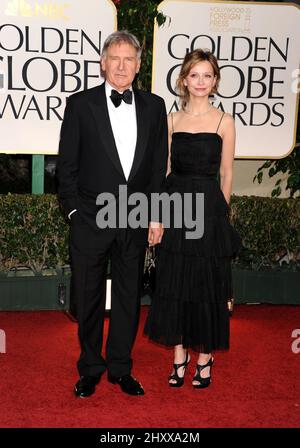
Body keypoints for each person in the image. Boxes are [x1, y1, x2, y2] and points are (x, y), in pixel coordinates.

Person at [57, 31, 168, 397]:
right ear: (103, 62)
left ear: (138, 65)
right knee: (88, 296)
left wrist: (156, 215)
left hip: (136, 216)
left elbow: (156, 168)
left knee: (128, 295)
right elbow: (67, 165)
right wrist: (73, 211)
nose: (121, 66)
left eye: (129, 59)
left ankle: (120, 366)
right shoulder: (80, 105)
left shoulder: (154, 107)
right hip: (89, 217)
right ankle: (90, 366)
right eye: (114, 58)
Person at [144, 49, 241, 388]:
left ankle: (204, 357)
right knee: (175, 284)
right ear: (184, 80)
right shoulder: (170, 121)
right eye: (195, 75)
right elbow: (165, 171)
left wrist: (220, 217)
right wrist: (158, 216)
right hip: (175, 206)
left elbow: (227, 174)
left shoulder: (224, 121)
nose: (201, 81)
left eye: (207, 75)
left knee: (206, 286)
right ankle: (179, 354)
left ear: (215, 81)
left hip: (209, 212)